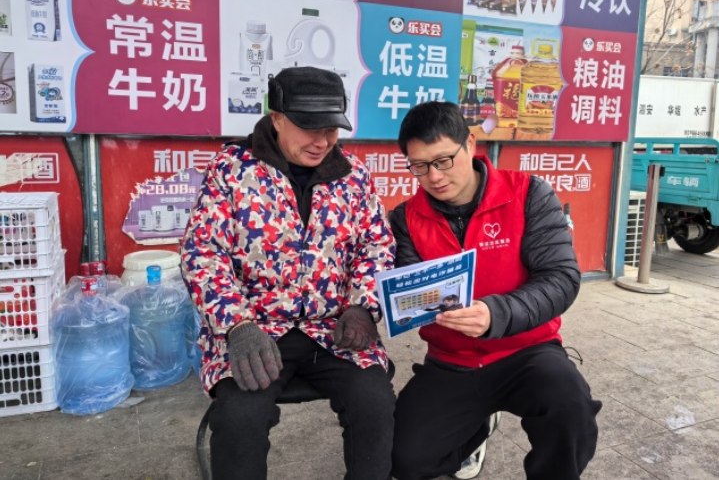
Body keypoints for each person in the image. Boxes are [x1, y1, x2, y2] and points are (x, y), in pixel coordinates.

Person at [181, 66, 396, 480]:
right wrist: (237, 325)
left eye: (331, 129)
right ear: (277, 118)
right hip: (255, 331)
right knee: (240, 417)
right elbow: (203, 253)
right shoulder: (232, 169)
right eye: (309, 128)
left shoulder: (354, 176)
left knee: (374, 401)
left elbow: (376, 246)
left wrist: (363, 307)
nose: (322, 142)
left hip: (333, 329)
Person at [389, 101, 602, 480]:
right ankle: (474, 431)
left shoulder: (528, 194)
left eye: (443, 161)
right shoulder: (406, 218)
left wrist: (495, 314)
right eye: (419, 166)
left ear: (470, 144)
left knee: (569, 408)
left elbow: (561, 277)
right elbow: (408, 291)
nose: (434, 176)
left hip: (528, 351)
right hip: (451, 360)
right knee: (404, 459)